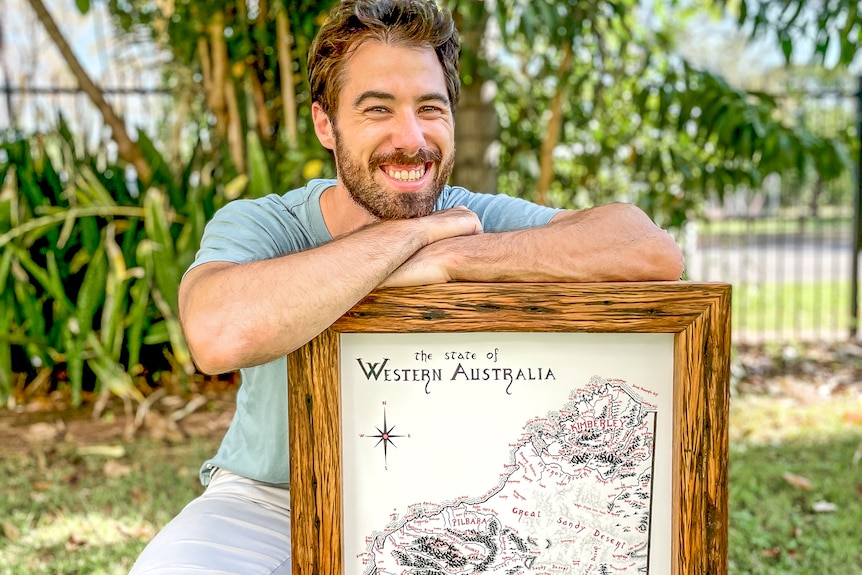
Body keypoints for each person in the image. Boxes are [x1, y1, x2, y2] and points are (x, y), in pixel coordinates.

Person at [129, 0, 684, 573]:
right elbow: (217, 332)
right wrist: (401, 250)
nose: (411, 137)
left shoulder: (468, 220)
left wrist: (454, 255)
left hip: (444, 508)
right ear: (326, 123)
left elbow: (647, 249)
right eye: (377, 109)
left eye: (429, 107)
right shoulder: (264, 223)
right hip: (269, 502)